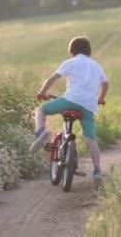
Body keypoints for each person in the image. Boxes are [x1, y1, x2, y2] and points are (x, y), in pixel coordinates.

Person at [30, 36, 109, 188]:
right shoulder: (96, 65)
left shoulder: (70, 62)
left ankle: (41, 133)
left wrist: (43, 92)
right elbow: (105, 84)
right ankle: (97, 171)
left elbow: (53, 78)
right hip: (88, 107)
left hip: (70, 100)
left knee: (41, 110)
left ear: (72, 51)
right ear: (89, 51)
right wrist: (99, 99)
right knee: (91, 139)